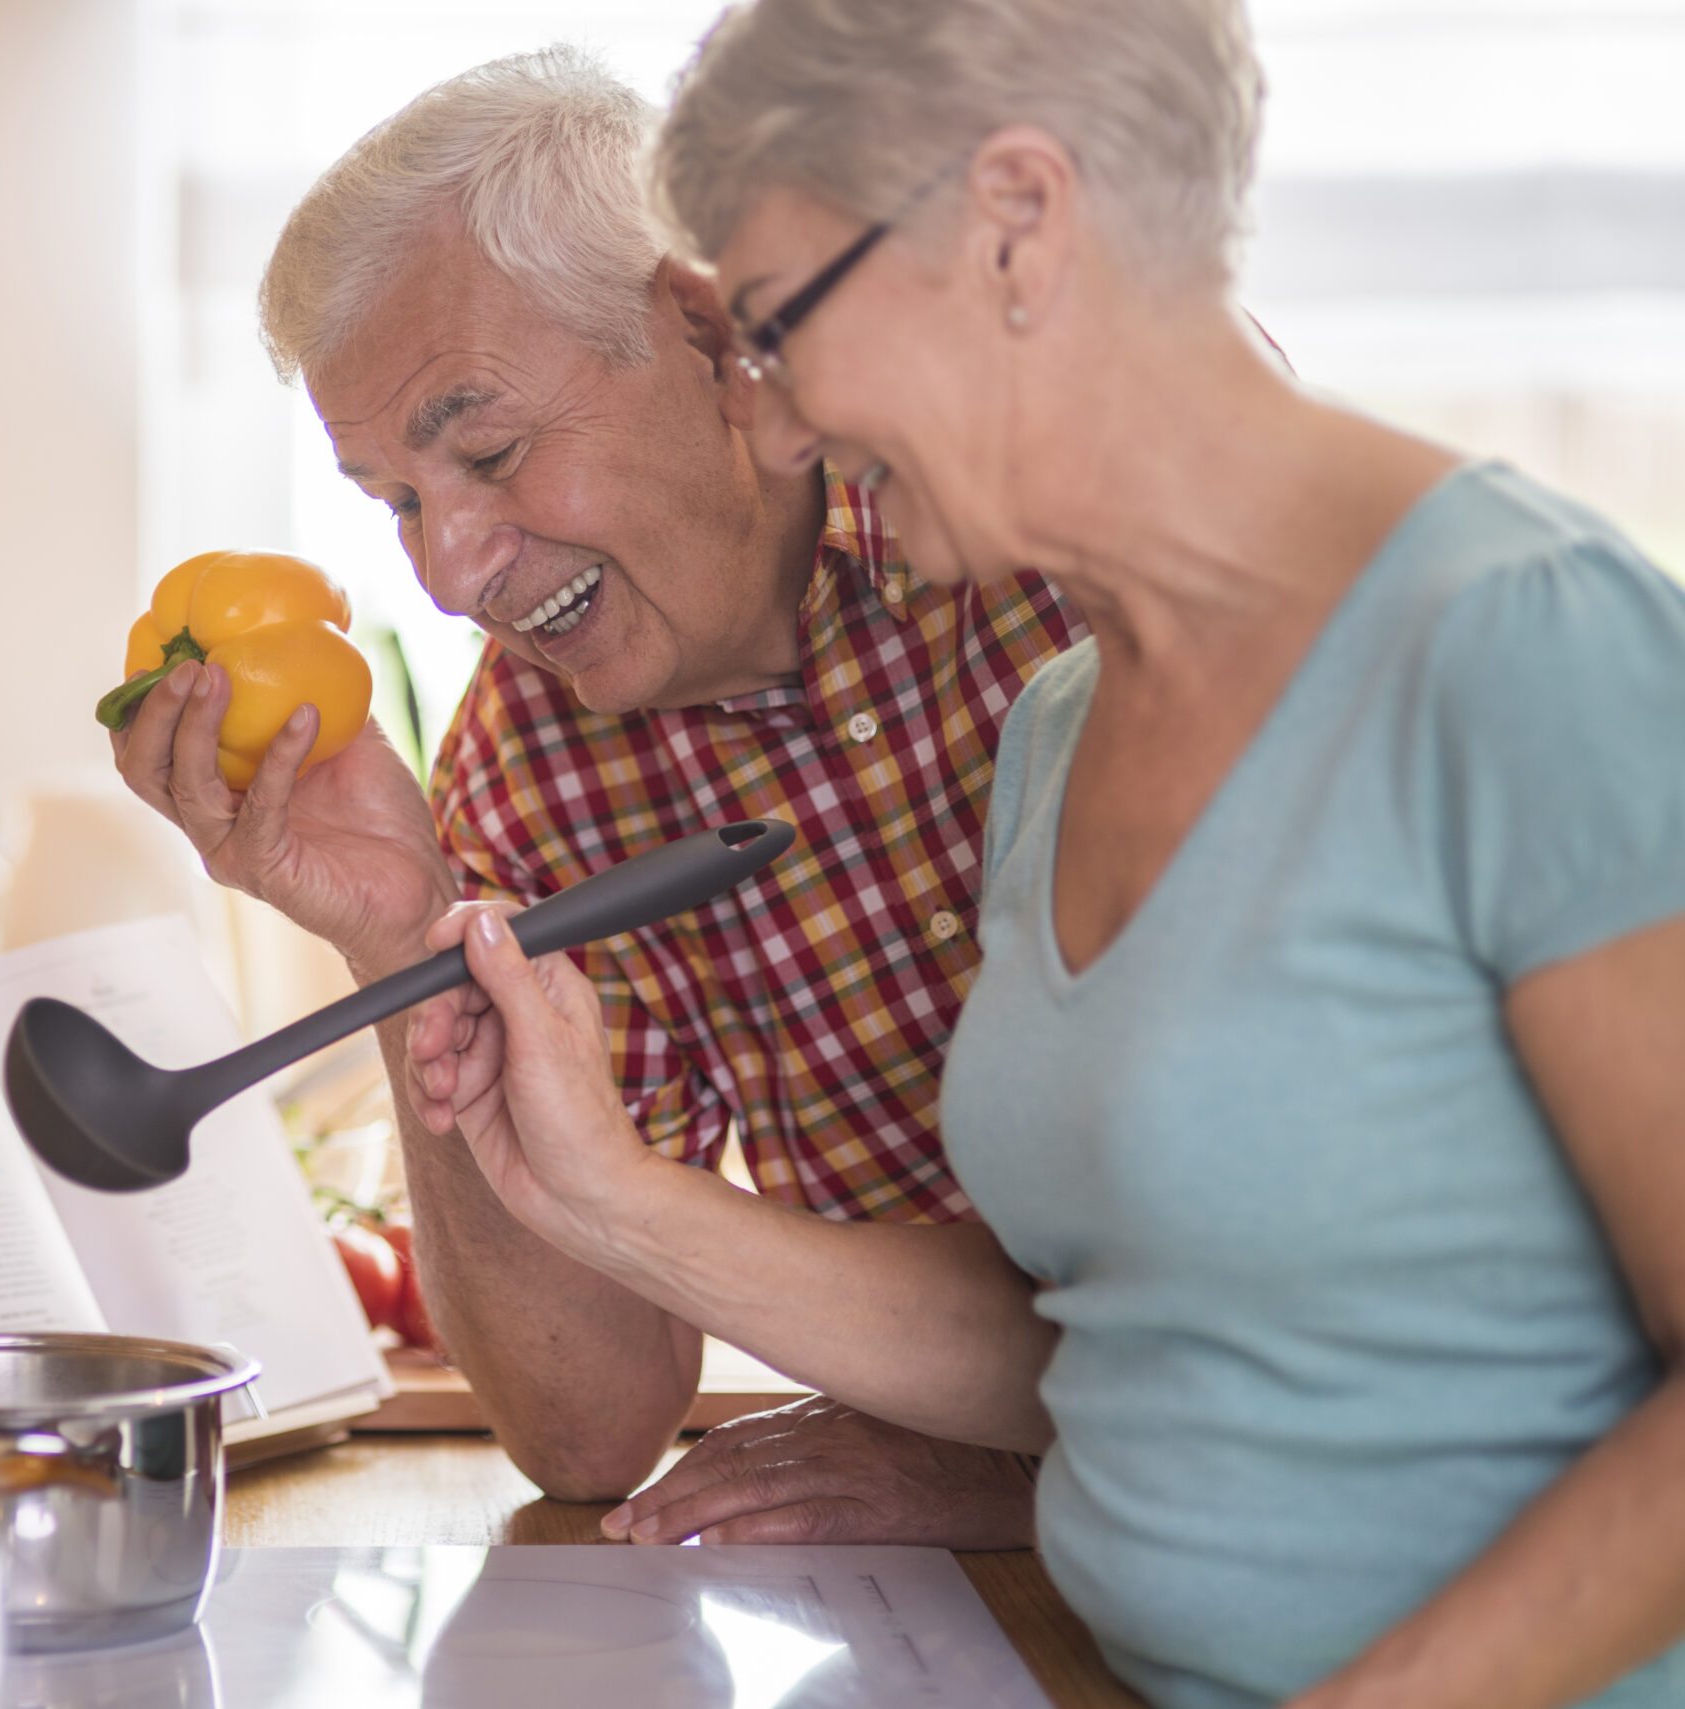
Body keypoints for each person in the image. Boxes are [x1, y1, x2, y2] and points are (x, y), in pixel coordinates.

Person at [408, 1, 1685, 1705]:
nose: (774, 433)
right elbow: (1107, 1345)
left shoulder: (1525, 641)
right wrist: (608, 1193)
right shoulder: (1064, 728)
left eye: (779, 330)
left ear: (1016, 223)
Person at [110, 46, 1083, 1543]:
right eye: (399, 503)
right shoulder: (529, 760)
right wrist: (409, 944)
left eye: (487, 450)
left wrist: (1024, 1471)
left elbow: (1288, 1264)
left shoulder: (1053, 521)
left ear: (701, 331)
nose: (446, 574)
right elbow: (588, 1427)